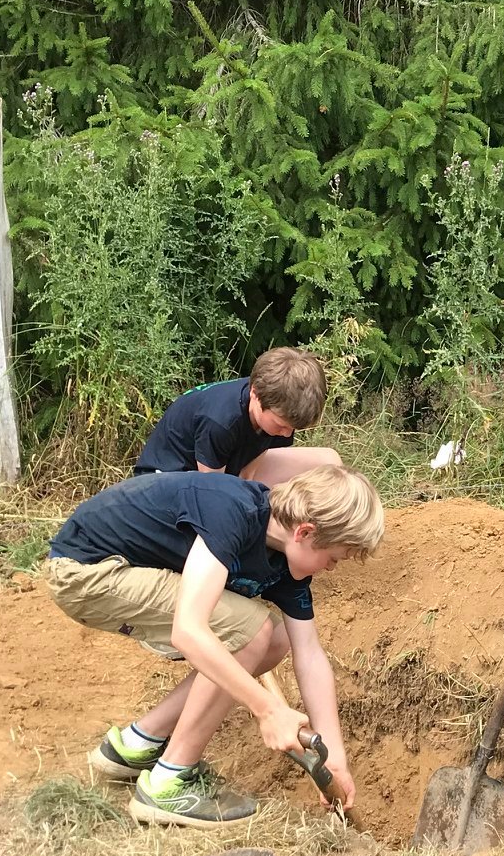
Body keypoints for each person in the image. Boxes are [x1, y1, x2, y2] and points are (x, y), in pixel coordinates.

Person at [43, 464, 384, 827]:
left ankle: (137, 744)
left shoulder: (285, 566)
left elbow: (310, 654)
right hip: (88, 570)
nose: (332, 568)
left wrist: (334, 758)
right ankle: (168, 783)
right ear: (305, 531)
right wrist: (268, 710)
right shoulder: (233, 511)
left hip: (123, 574)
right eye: (334, 558)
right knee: (250, 629)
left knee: (275, 639)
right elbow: (188, 630)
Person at [134, 347, 342, 486]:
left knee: (330, 461)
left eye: (293, 428)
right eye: (281, 425)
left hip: (226, 465)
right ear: (255, 394)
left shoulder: (277, 404)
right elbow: (213, 492)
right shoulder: (220, 422)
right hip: (167, 478)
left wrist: (248, 483)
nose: (287, 433)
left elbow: (260, 449)